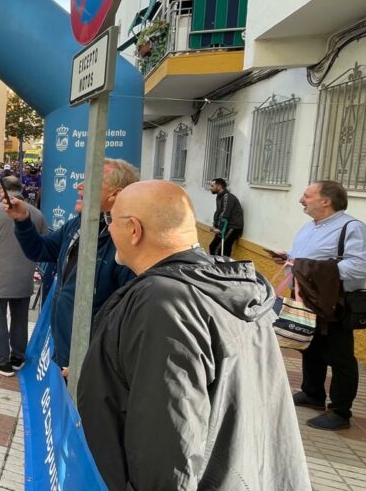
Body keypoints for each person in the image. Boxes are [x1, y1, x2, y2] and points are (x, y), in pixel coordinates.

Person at [78, 180, 311, 490]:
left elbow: (168, 435)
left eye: (111, 220)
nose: (108, 230)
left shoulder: (164, 301)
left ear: (134, 229)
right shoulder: (224, 284)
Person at [8, 158, 138, 373]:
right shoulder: (78, 223)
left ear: (116, 195)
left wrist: (93, 365)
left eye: (92, 181)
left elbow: (127, 320)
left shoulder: (125, 243)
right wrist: (23, 220)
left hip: (90, 363)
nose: (79, 185)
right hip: (64, 351)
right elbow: (40, 250)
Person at [279, 180, 366, 431]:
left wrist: (311, 269)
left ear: (326, 201)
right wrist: (290, 258)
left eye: (307, 195)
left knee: (340, 355)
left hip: (335, 302)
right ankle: (313, 393)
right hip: (308, 299)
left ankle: (340, 411)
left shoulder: (352, 228)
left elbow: (362, 265)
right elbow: (305, 258)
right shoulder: (310, 227)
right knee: (310, 347)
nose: (301, 199)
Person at [0, 177, 46, 376]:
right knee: (20, 319)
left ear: (0, 189)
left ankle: (1, 361)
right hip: (24, 276)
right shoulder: (36, 214)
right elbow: (44, 244)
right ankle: (18, 357)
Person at [208, 177, 244, 257]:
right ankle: (223, 267)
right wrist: (214, 226)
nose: (210, 188)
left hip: (232, 226)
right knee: (220, 248)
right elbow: (218, 213)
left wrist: (219, 229)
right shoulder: (220, 197)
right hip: (225, 226)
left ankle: (218, 268)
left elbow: (225, 214)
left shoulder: (227, 197)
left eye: (212, 186)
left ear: (219, 186)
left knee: (216, 248)